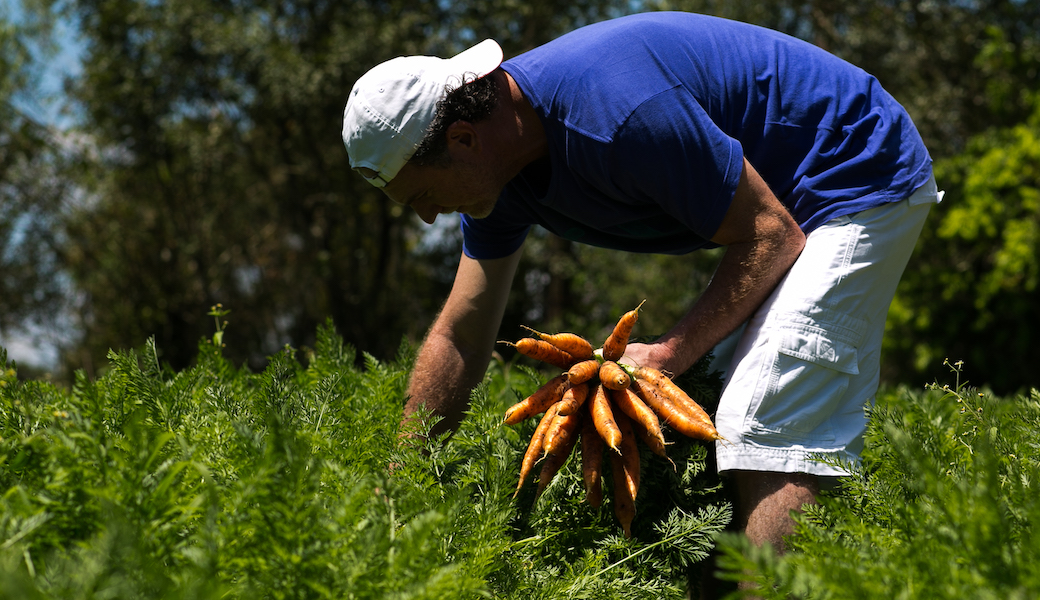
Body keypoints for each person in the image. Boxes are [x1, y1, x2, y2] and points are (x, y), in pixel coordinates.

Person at [341, 11, 940, 556]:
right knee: (698, 431)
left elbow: (769, 236)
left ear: (463, 139)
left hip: (850, 169)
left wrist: (669, 352)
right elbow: (463, 335)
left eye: (421, 196)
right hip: (779, 206)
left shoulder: (614, 113)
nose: (426, 218)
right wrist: (404, 482)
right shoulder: (498, 174)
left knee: (765, 418)